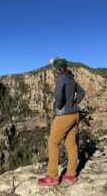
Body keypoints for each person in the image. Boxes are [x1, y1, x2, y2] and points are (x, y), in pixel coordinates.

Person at [38, 56, 85, 186]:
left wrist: (59, 107)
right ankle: (71, 174)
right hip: (75, 114)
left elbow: (59, 96)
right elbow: (81, 93)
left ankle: (52, 177)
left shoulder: (60, 78)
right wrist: (74, 103)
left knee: (53, 142)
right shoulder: (71, 78)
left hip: (64, 115)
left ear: (55, 67)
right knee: (71, 144)